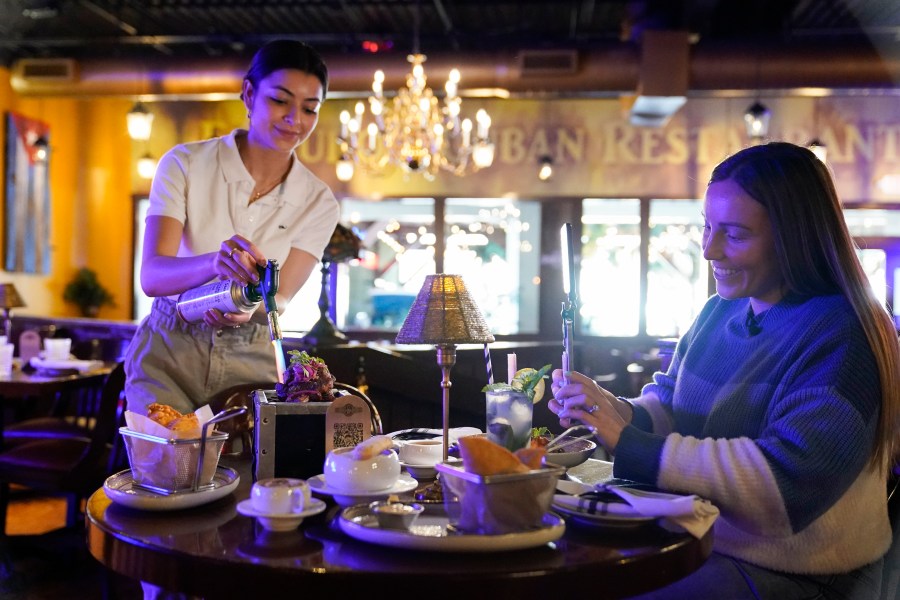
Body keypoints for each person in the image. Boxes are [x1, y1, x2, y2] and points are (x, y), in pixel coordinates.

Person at [550, 142, 900, 599]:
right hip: (697, 540)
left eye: (734, 234)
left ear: (794, 239)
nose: (709, 249)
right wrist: (611, 410)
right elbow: (672, 406)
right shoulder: (719, 310)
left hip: (802, 574)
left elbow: (783, 489)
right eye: (707, 228)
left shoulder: (844, 332)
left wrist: (631, 444)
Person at [124, 40, 340, 417]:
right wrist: (214, 264)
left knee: (250, 474)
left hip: (251, 351)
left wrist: (249, 306)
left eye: (310, 108)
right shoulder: (186, 164)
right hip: (170, 348)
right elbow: (152, 276)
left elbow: (283, 297)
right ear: (249, 94)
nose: (295, 119)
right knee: (165, 470)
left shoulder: (319, 201)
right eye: (280, 100)